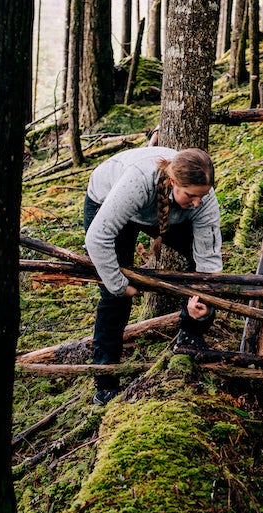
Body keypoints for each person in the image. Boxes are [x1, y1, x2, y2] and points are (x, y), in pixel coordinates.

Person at [83, 146, 222, 405]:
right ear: (172, 182)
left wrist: (202, 299)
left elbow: (208, 261)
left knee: (199, 277)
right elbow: (97, 238)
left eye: (201, 196)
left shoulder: (202, 200)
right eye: (191, 196)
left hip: (164, 212)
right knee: (114, 299)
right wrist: (118, 285)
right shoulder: (137, 182)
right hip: (108, 200)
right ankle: (105, 384)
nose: (197, 203)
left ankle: (189, 338)